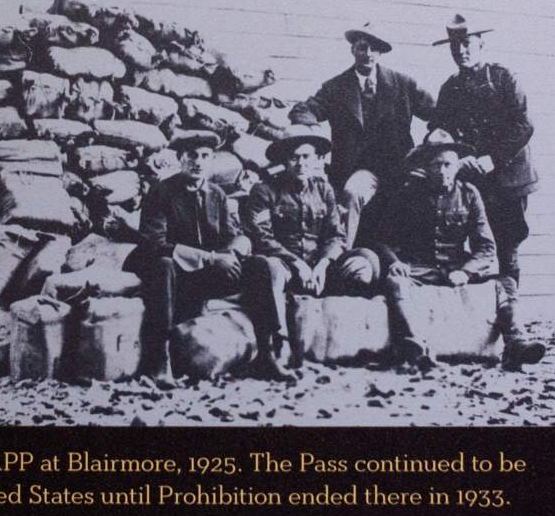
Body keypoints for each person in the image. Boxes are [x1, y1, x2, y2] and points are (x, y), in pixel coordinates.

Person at [377, 131, 546, 371]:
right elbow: (382, 239)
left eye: (448, 164)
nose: (443, 171)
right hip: (420, 267)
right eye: (437, 165)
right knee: (395, 282)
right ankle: (416, 347)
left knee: (506, 283)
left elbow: (486, 248)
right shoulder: (408, 195)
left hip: (456, 266)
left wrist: (466, 272)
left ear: (457, 166)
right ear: (426, 167)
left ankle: (516, 343)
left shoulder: (469, 194)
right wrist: (395, 262)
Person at [241, 126, 381, 380]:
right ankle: (277, 347)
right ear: (284, 160)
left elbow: (336, 235)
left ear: (317, 160)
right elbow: (261, 237)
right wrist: (296, 263)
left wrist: (323, 264)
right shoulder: (264, 191)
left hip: (319, 271)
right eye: (294, 157)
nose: (301, 163)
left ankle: (350, 335)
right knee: (268, 268)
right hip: (285, 267)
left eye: (307, 157)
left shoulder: (324, 190)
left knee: (365, 262)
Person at [289, 23, 435, 248]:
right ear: (353, 50)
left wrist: (428, 149)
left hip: (400, 166)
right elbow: (303, 110)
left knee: (431, 189)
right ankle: (340, 253)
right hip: (360, 170)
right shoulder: (336, 87)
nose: (368, 54)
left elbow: (436, 115)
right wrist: (313, 131)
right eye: (362, 48)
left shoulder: (403, 84)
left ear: (380, 52)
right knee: (351, 193)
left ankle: (420, 261)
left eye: (374, 49)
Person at [123, 131, 251, 386]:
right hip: (163, 270)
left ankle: (266, 355)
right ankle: (159, 362)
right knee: (165, 265)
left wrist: (233, 252)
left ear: (212, 160)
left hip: (200, 275)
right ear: (180, 159)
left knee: (260, 267)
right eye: (192, 156)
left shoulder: (217, 194)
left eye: (205, 156)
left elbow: (232, 234)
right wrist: (212, 258)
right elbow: (155, 244)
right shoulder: (161, 192)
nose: (198, 162)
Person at [428, 14, 538, 285]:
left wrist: (493, 158)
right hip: (473, 179)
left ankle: (510, 310)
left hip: (508, 177)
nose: (461, 51)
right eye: (455, 47)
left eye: (466, 44)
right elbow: (440, 132)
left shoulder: (503, 78)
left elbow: (523, 125)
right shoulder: (450, 89)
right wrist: (460, 158)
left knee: (507, 244)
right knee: (471, 244)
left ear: (481, 45)